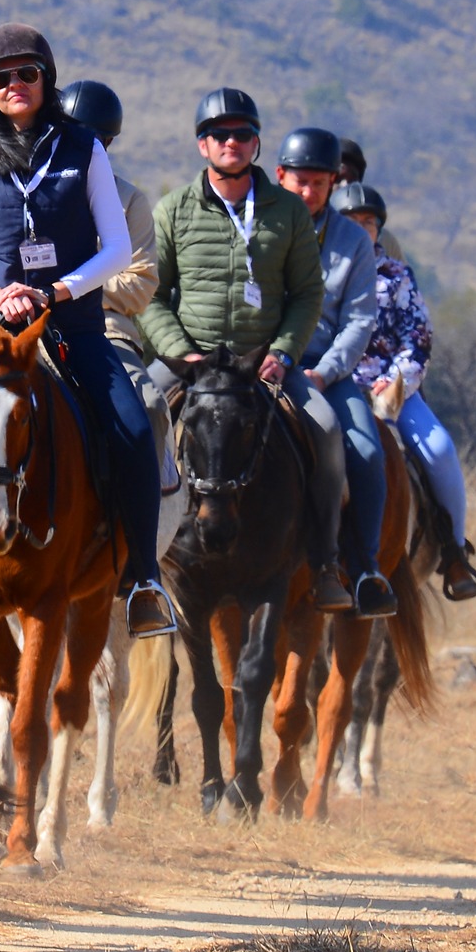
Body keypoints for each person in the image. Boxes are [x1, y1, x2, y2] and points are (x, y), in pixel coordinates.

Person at [0, 37, 175, 640]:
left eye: (25, 73)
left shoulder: (84, 151)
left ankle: (141, 577)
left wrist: (57, 292)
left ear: (46, 79)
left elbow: (114, 250)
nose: (12, 85)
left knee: (133, 426)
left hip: (71, 326)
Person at [137, 88, 355, 612]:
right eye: (218, 134)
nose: (229, 142)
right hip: (191, 364)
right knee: (135, 415)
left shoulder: (288, 212)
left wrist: (282, 351)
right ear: (202, 146)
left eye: (241, 134)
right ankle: (133, 564)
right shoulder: (172, 211)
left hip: (263, 365)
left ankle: (325, 563)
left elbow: (307, 294)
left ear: (256, 144)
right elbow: (150, 295)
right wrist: (179, 354)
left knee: (325, 430)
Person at [336, 183, 476, 601]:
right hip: (333, 384)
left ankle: (454, 552)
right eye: (352, 222)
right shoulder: (315, 271)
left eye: (369, 223)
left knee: (438, 449)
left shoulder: (396, 276)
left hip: (391, 390)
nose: (362, 229)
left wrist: (398, 378)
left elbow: (417, 337)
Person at [276, 128, 394, 619]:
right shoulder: (258, 223)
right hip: (262, 362)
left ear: (333, 185)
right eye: (300, 182)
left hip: (327, 369)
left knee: (366, 448)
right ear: (280, 176)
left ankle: (363, 566)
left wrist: (324, 374)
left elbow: (361, 320)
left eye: (319, 184)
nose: (308, 193)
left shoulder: (352, 241)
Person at [58, 78, 174, 489]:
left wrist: (69, 287)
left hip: (107, 333)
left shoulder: (130, 201)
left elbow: (140, 284)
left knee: (151, 404)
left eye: (98, 140)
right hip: (30, 327)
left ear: (108, 143)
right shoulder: (30, 188)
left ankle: (145, 521)